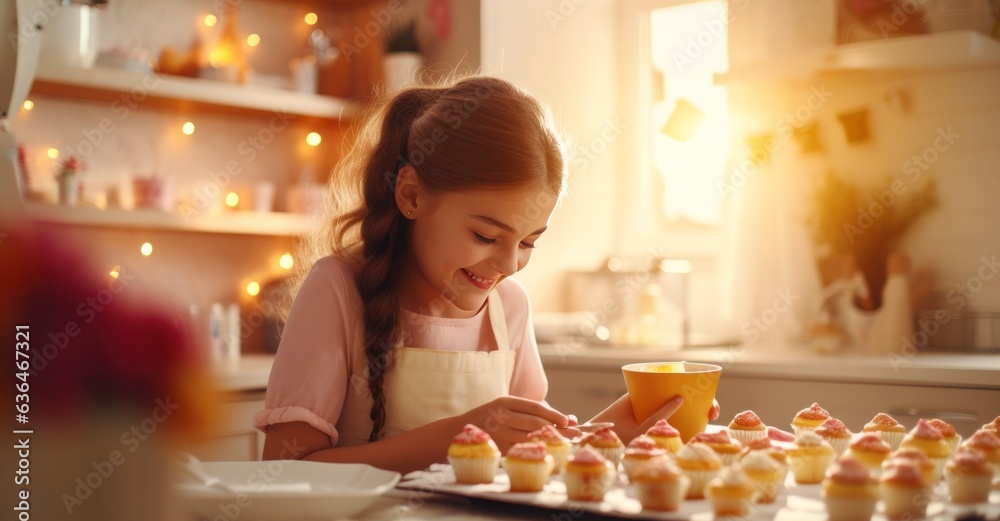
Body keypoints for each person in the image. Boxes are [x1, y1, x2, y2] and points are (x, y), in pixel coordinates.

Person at [254, 76, 719, 473]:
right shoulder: (337, 288)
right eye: (484, 235)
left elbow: (527, 453)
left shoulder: (509, 307)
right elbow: (282, 469)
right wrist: (461, 435)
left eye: (529, 242)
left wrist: (611, 432)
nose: (509, 264)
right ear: (411, 196)